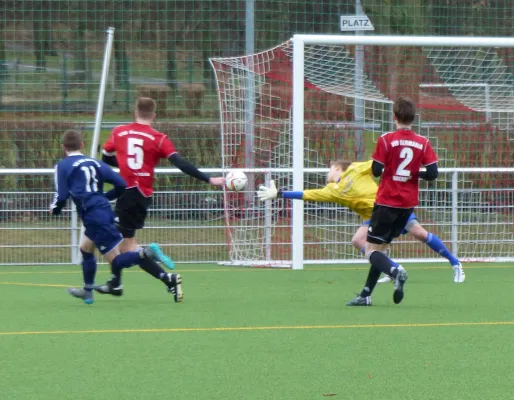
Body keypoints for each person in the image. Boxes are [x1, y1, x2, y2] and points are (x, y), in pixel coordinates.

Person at [257, 159, 464, 284]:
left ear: (339, 168)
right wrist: (280, 193)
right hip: (372, 218)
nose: (327, 173)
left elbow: (379, 165)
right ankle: (393, 270)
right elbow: (308, 194)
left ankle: (454, 262)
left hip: (390, 207)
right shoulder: (332, 191)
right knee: (358, 240)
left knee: (419, 233)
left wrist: (406, 170)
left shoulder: (356, 169)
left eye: (330, 168)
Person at [98, 97, 224, 297]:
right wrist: (209, 179)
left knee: (111, 239)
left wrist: (124, 165)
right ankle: (159, 280)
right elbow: (181, 163)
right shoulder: (159, 138)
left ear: (134, 112)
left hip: (127, 193)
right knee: (126, 245)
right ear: (154, 116)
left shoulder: (119, 132)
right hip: (142, 195)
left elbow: (105, 157)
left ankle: (137, 267)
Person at [50, 130, 182, 305]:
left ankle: (146, 253)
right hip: (104, 210)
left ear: (63, 147)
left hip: (93, 216)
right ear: (82, 145)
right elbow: (121, 184)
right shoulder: (94, 162)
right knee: (85, 248)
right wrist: (105, 197)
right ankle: (88, 291)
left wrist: (55, 209)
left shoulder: (63, 165)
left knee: (117, 260)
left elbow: (62, 195)